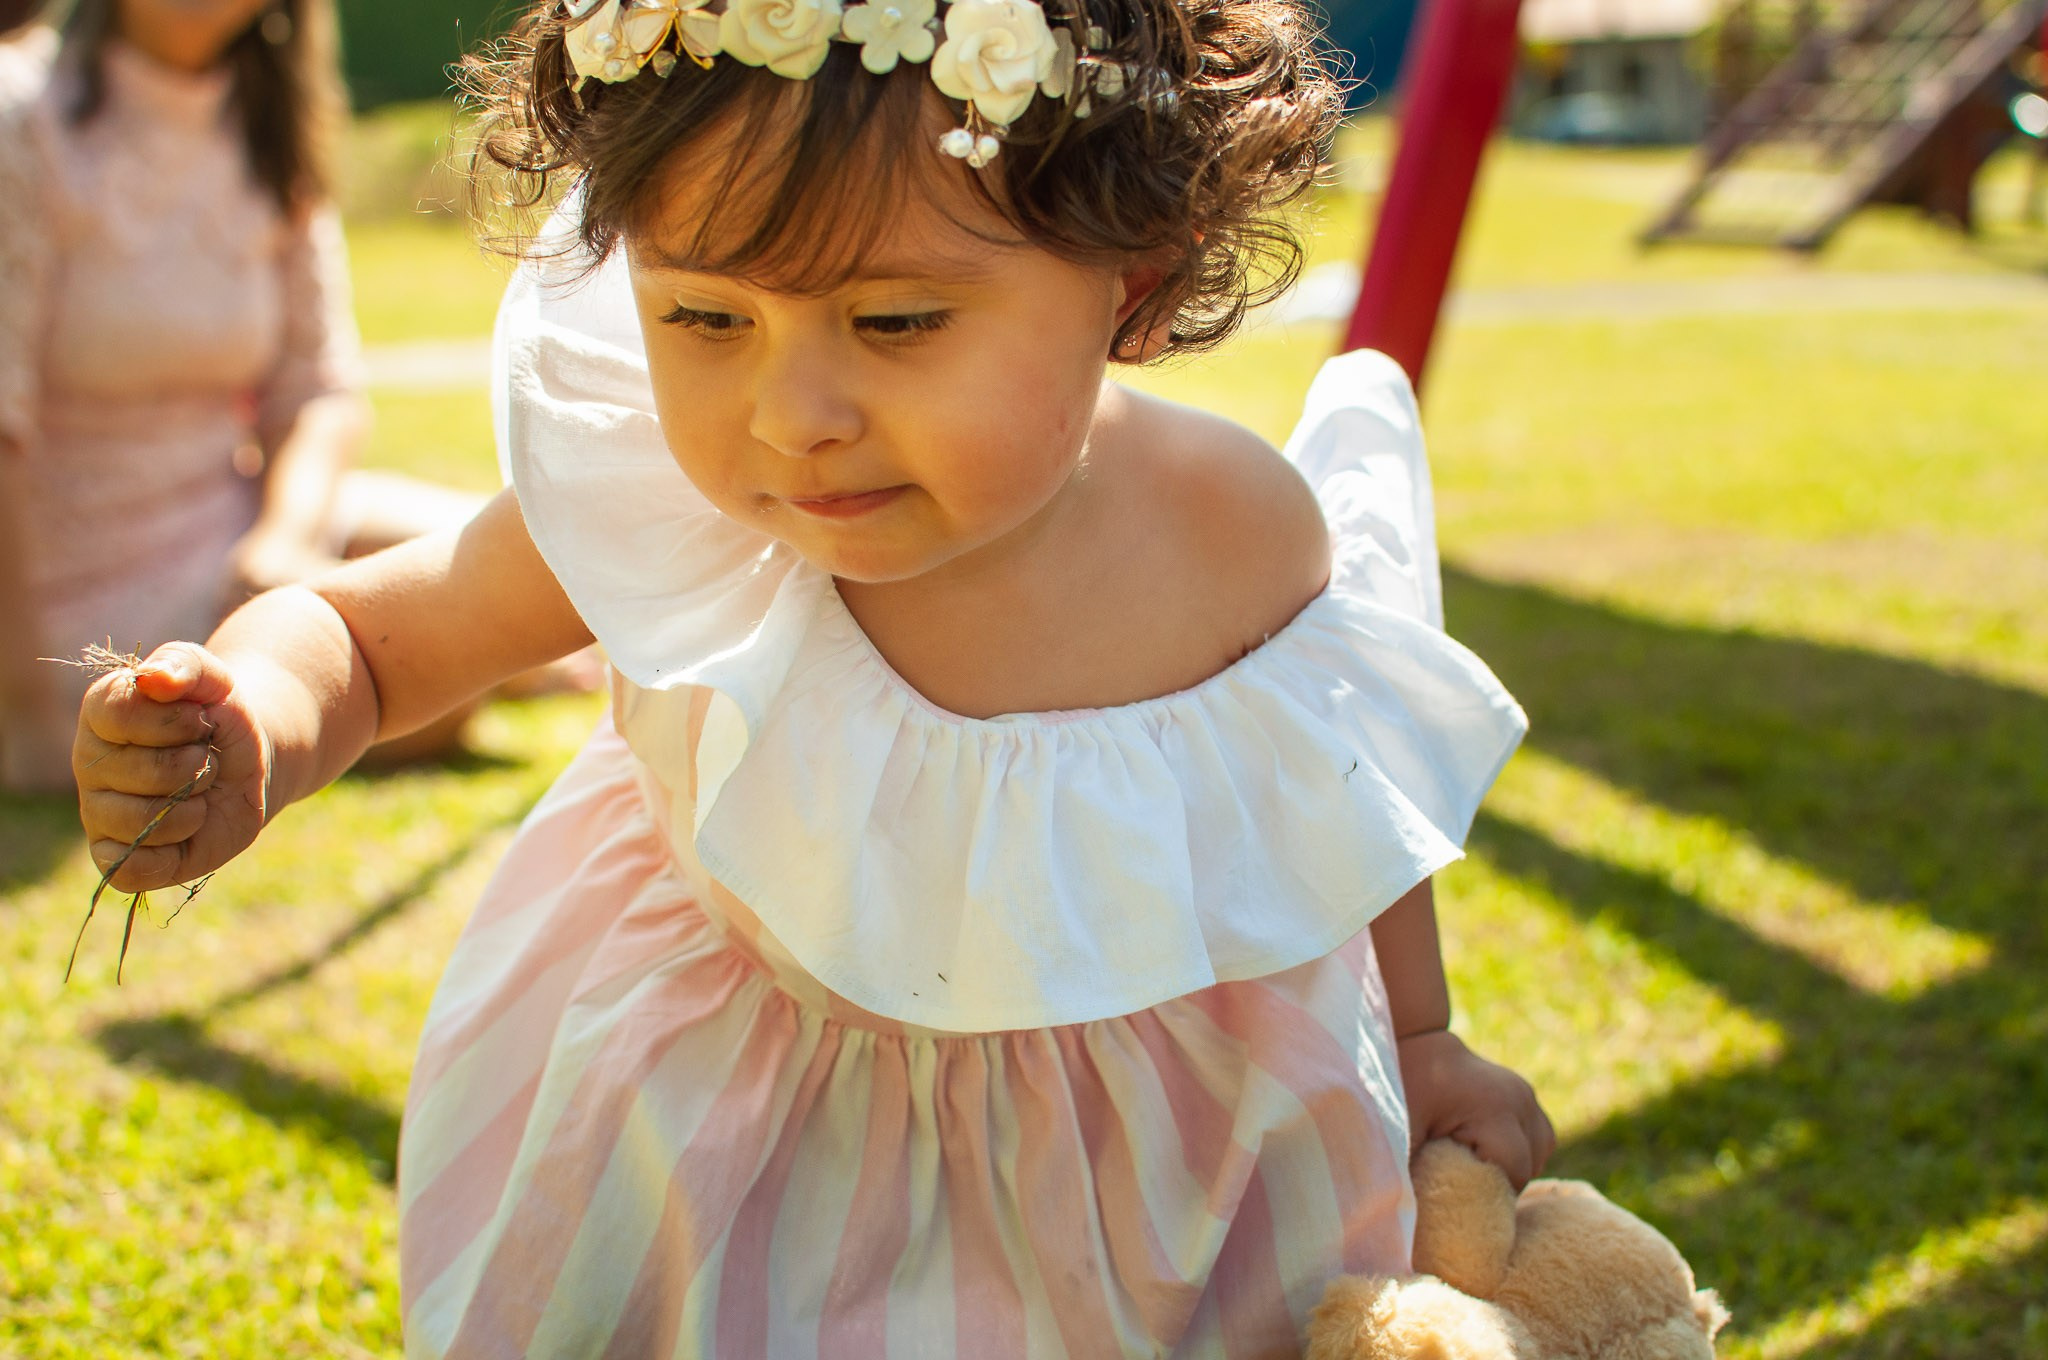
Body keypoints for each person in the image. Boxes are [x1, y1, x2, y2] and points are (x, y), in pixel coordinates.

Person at [73, 0, 1554, 1351]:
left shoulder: (1231, 534)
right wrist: (258, 720)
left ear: (1135, 286)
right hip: (731, 1156)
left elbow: (1334, 808)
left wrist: (1419, 1041)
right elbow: (379, 637)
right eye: (705, 318)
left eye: (896, 322)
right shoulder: (671, 509)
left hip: (1150, 1189)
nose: (793, 415)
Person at [0, 0, 493, 792]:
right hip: (62, 578)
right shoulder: (18, 116)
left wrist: (278, 542)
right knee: (440, 687)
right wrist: (23, 715)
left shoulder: (271, 125)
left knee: (512, 567)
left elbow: (320, 387)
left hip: (228, 520)